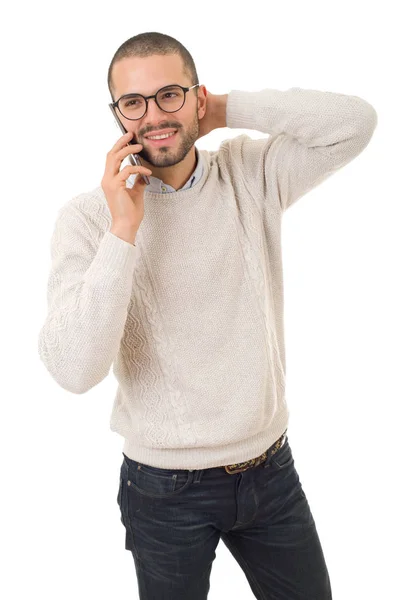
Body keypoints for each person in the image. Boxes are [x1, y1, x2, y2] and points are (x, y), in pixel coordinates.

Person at [38, 31, 377, 600]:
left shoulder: (250, 173)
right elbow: (73, 370)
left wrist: (222, 109)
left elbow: (354, 123)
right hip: (163, 490)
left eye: (170, 95)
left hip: (271, 469)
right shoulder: (88, 219)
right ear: (118, 115)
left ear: (197, 97)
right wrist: (124, 230)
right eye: (133, 104)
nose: (152, 117)